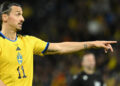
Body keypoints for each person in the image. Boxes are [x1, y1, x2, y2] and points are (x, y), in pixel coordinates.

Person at [0, 2, 116, 86]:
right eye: (18, 14)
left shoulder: (29, 41)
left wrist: (92, 44)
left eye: (22, 14)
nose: (23, 18)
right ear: (5, 17)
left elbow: (60, 47)